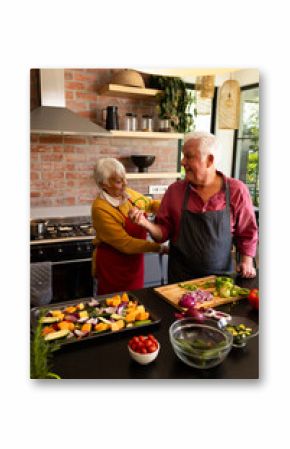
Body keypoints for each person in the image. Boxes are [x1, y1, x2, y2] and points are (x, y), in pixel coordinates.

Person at [129, 132, 258, 283]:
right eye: (183, 156)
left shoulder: (236, 190)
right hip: (180, 283)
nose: (183, 162)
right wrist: (145, 224)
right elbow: (162, 235)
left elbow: (247, 232)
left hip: (220, 282)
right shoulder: (175, 191)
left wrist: (246, 261)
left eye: (189, 156)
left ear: (209, 160)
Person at [91, 157, 165, 295]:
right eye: (119, 181)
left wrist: (170, 208)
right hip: (113, 267)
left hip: (134, 263)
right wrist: (160, 248)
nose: (125, 184)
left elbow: (150, 204)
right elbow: (126, 244)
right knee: (114, 307)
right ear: (104, 184)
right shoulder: (100, 208)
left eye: (125, 178)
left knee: (136, 300)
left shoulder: (129, 195)